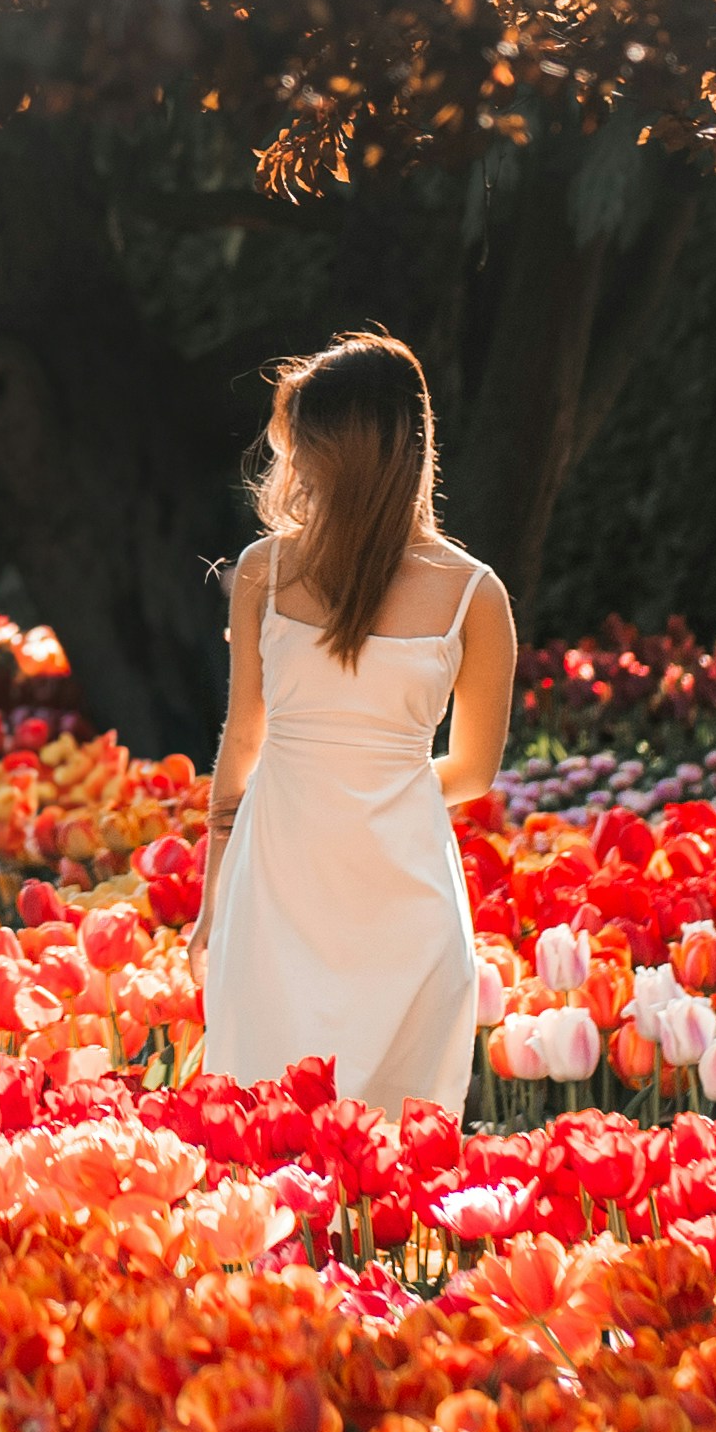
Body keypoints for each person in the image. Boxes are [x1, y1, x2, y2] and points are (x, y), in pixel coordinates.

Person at [194, 330, 510, 1115]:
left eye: (298, 444)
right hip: (369, 884)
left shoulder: (265, 572)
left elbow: (241, 747)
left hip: (294, 877)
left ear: (333, 450)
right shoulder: (476, 593)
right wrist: (378, 782)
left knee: (284, 1134)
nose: (289, 465)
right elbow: (469, 772)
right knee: (363, 1145)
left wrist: (213, 900)